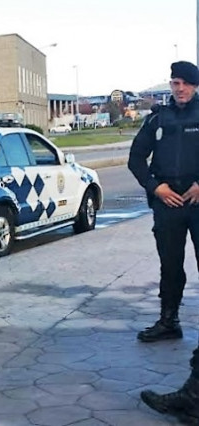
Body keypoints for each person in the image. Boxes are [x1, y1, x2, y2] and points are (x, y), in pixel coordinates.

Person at [134, 61, 199, 424]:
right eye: (175, 83)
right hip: (168, 201)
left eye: (186, 84)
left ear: (195, 86)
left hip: (198, 200)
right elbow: (135, 158)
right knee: (170, 266)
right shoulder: (158, 118)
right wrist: (154, 187)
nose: (179, 89)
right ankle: (169, 320)